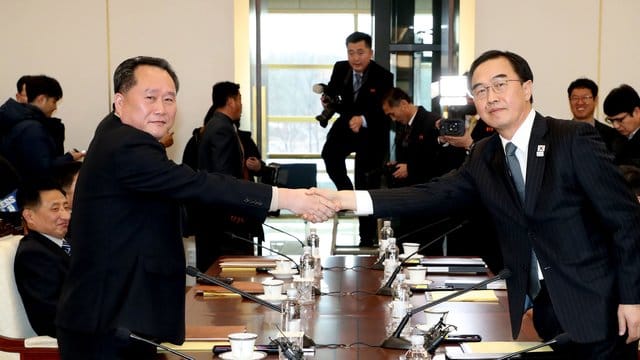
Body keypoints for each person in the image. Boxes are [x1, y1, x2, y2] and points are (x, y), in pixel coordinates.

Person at [316, 50, 640, 359]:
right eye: (480, 90)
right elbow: (433, 194)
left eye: (500, 85)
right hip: (546, 313)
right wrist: (348, 198)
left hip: (604, 310)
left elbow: (625, 221)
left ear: (527, 88)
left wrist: (633, 299)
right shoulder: (486, 154)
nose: (490, 96)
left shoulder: (571, 138)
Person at [55, 56, 337, 360]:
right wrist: (287, 198)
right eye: (150, 98)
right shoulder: (126, 143)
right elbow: (199, 184)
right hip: (108, 322)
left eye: (169, 99)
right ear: (119, 101)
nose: (161, 109)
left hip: (116, 313)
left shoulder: (114, 132)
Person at [319, 31, 394, 247]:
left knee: (365, 181)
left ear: (370, 52)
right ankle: (345, 194)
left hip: (370, 130)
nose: (355, 58)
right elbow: (335, 94)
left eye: (360, 52)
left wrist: (363, 118)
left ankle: (366, 236)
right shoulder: (340, 68)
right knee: (329, 154)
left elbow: (384, 110)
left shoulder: (384, 76)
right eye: (351, 53)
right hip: (345, 124)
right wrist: (328, 100)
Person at [195, 81, 254, 270]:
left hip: (214, 211)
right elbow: (222, 172)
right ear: (231, 101)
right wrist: (234, 206)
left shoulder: (216, 124)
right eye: (240, 99)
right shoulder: (222, 128)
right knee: (228, 269)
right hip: (221, 217)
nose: (241, 105)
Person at [14, 180, 71, 338]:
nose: (66, 215)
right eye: (55, 209)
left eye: (66, 207)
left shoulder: (71, 242)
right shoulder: (33, 255)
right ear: (29, 216)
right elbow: (53, 317)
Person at [0, 75, 84, 182]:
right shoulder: (32, 128)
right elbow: (42, 171)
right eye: (54, 101)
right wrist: (69, 157)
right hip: (29, 194)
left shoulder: (16, 121)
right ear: (42, 99)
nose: (55, 107)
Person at [382, 87, 440, 187]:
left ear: (403, 104)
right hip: (407, 189)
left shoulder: (432, 122)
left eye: (392, 114)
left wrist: (411, 169)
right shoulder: (402, 127)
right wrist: (398, 165)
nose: (393, 119)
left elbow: (440, 160)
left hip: (427, 190)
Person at [567, 78, 624, 154]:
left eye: (585, 97)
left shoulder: (612, 135)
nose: (580, 102)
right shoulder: (560, 134)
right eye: (575, 98)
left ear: (596, 100)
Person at [603, 84, 640, 168]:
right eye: (611, 121)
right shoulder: (612, 137)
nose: (615, 126)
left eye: (620, 120)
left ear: (636, 112)